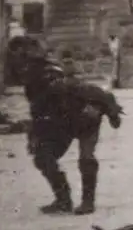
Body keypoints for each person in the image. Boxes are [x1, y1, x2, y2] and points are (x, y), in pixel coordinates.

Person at [10, 36, 124, 215]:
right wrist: (34, 135)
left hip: (87, 119)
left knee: (86, 158)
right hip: (64, 123)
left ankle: (88, 202)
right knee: (42, 157)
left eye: (22, 61)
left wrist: (112, 113)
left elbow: (96, 93)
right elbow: (39, 114)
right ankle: (63, 200)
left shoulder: (54, 78)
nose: (20, 67)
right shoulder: (35, 84)